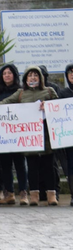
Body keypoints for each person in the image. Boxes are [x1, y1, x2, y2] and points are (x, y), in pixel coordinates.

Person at [0, 65, 59, 206]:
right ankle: (34, 196)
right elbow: (5, 103)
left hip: (46, 136)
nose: (33, 78)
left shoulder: (49, 91)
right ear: (25, 79)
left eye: (35, 75)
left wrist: (48, 106)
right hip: (29, 138)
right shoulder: (20, 93)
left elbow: (59, 107)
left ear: (40, 78)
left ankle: (52, 195)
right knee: (32, 167)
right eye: (30, 75)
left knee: (48, 166)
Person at [0, 63, 28, 205]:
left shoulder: (22, 91)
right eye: (4, 73)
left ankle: (23, 193)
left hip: (18, 133)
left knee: (20, 164)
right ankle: (9, 193)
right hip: (2, 134)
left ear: (14, 75)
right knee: (5, 165)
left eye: (9, 73)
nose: (7, 75)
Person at [58, 63, 73, 206]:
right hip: (69, 137)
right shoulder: (63, 93)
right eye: (70, 72)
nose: (72, 75)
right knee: (71, 166)